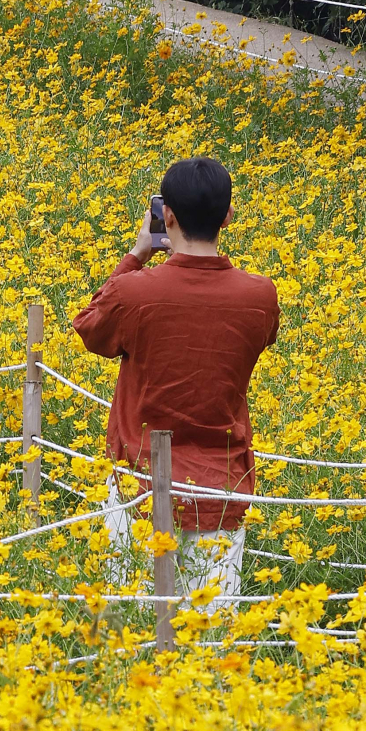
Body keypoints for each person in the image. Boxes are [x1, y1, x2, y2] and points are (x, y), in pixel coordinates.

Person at [72, 156, 279, 607]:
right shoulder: (260, 295)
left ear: (166, 216)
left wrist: (138, 254)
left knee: (133, 631)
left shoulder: (135, 291)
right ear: (228, 215)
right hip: (220, 489)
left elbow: (89, 327)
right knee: (212, 639)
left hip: (139, 486)